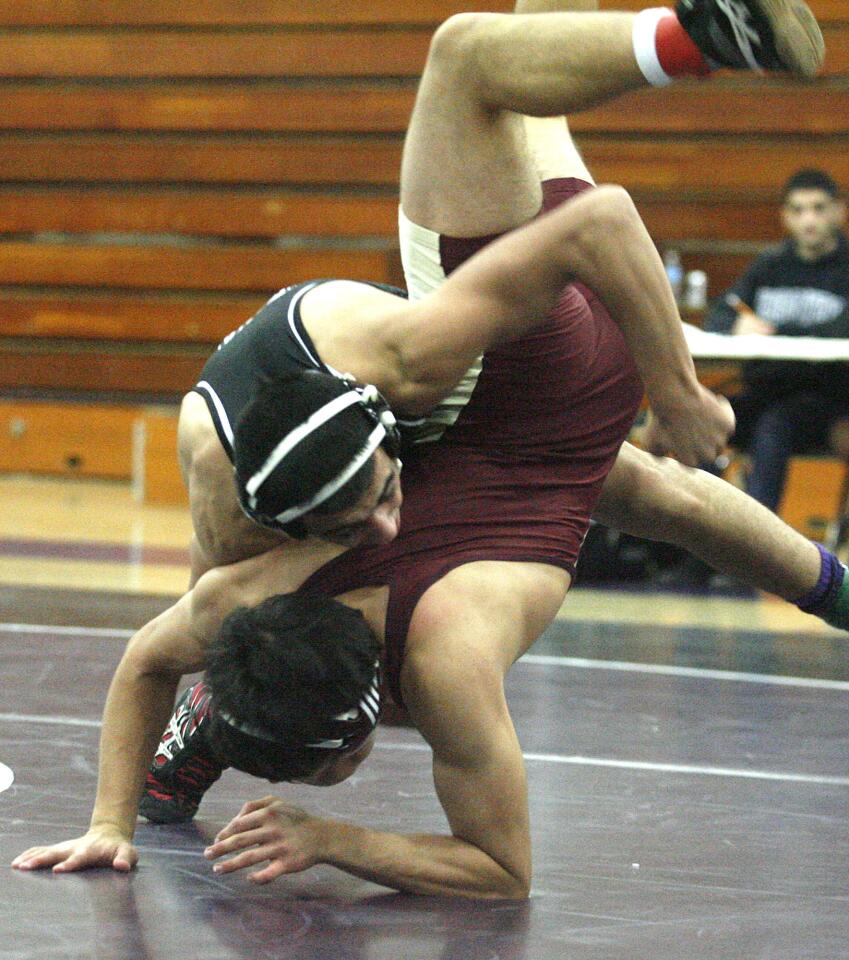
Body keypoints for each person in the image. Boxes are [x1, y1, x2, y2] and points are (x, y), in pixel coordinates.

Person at [15, 0, 845, 897]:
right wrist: (107, 820)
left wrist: (334, 837)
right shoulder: (259, 590)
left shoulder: (425, 616)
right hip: (536, 404)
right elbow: (147, 658)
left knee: (470, 57)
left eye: (381, 491)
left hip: (544, 388)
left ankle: (694, 37)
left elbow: (502, 871)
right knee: (644, 488)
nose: (385, 516)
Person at [179, 0, 826, 580]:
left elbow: (683, 504)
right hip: (530, 343)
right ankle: (703, 38)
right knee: (461, 58)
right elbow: (603, 223)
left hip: (580, 360)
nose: (386, 519)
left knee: (538, 38)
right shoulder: (406, 368)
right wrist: (678, 392)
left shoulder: (276, 538)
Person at [704, 168, 849, 513]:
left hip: (827, 401)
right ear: (785, 216)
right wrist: (738, 325)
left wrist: (776, 333)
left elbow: (839, 331)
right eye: (798, 210)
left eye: (818, 207)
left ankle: (756, 554)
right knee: (701, 417)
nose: (808, 219)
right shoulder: (769, 264)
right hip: (765, 392)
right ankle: (694, 547)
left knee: (774, 426)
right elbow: (720, 314)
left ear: (839, 211)